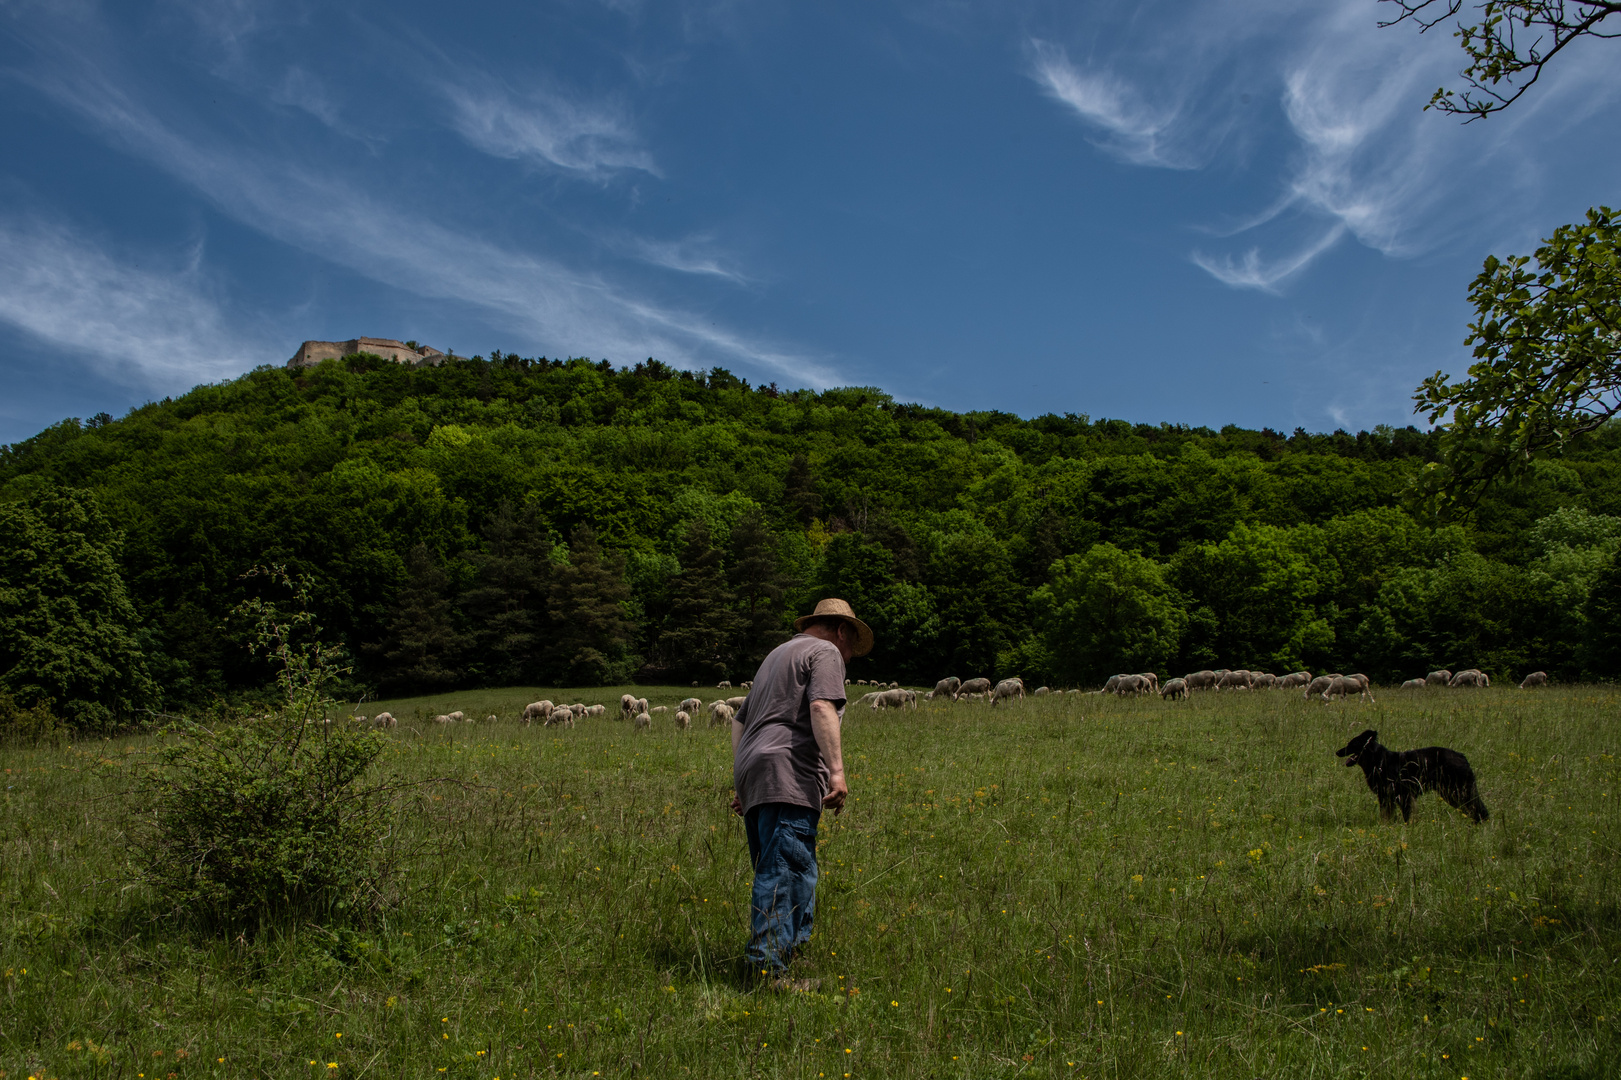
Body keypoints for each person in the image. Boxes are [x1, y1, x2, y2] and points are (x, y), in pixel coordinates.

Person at [730, 597, 873, 984]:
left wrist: (742, 781)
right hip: (788, 771)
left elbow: (739, 722)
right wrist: (837, 773)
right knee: (784, 871)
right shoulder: (825, 652)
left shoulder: (777, 654)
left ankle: (791, 953)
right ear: (841, 631)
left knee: (794, 866)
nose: (848, 658)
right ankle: (766, 972)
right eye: (851, 647)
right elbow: (822, 707)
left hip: (755, 772)